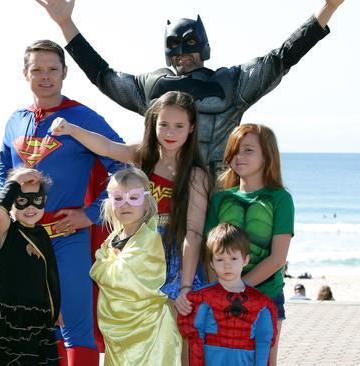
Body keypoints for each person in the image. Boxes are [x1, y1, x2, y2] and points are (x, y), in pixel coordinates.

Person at [37, 0, 344, 174]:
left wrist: (328, 8)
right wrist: (66, 25)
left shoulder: (232, 83)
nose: (183, 53)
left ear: (204, 46)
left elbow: (283, 57)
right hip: (165, 195)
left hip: (216, 194)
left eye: (190, 44)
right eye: (176, 46)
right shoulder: (153, 87)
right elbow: (102, 75)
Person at [0, 39, 126, 365]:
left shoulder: (82, 117)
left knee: (76, 328)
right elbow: (4, 167)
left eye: (52, 69)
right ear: (25, 74)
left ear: (65, 72)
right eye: (37, 69)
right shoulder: (15, 120)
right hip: (24, 240)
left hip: (69, 238)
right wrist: (8, 206)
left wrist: (92, 214)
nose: (45, 76)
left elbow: (124, 164)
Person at [50, 90, 209, 313]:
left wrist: (185, 285)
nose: (170, 132)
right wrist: (71, 129)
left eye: (179, 126)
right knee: (131, 324)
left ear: (191, 128)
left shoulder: (195, 175)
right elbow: (108, 147)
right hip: (134, 250)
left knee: (173, 331)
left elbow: (193, 234)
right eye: (164, 124)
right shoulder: (142, 155)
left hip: (171, 259)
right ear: (153, 124)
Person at [204, 124, 293, 366]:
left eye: (248, 150)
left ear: (267, 155)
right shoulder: (220, 199)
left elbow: (278, 258)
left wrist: (239, 287)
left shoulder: (280, 199)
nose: (238, 156)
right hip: (221, 298)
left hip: (266, 296)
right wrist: (220, 291)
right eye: (233, 151)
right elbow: (210, 251)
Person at [90, 167, 181, 365]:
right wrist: (106, 266)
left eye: (133, 197)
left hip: (150, 330)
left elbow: (118, 276)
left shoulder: (149, 238)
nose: (126, 204)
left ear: (147, 203)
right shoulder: (113, 238)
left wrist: (105, 265)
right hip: (118, 332)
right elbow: (100, 269)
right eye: (118, 198)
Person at [0, 168, 61, 365]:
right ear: (12, 202)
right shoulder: (7, 231)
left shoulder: (42, 234)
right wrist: (15, 180)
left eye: (36, 200)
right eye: (22, 200)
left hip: (38, 316)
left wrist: (56, 307)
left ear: (44, 201)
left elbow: (50, 274)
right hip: (9, 318)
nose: (30, 207)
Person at [178, 223, 277, 366]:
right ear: (211, 263)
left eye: (233, 258)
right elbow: (195, 339)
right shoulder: (203, 299)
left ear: (246, 260)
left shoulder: (261, 304)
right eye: (220, 259)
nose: (227, 265)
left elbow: (264, 342)